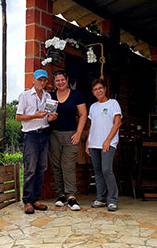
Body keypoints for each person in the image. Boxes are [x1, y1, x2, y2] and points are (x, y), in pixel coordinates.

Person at [16, 69, 58, 214]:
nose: (42, 82)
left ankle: (35, 199)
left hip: (44, 133)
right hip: (31, 135)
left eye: (44, 80)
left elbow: (46, 117)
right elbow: (18, 117)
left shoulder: (48, 96)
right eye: (39, 79)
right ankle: (27, 201)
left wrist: (50, 118)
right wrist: (34, 116)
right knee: (30, 168)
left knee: (41, 168)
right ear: (33, 80)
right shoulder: (25, 95)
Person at [48, 71, 87, 211]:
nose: (60, 82)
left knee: (68, 165)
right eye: (57, 80)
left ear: (67, 80)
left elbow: (83, 115)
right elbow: (47, 116)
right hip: (54, 135)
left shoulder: (76, 95)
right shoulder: (51, 96)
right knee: (56, 165)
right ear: (54, 82)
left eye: (62, 80)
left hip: (71, 135)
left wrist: (78, 133)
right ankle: (61, 194)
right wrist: (49, 118)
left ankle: (71, 196)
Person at [85, 79, 122, 212]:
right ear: (93, 92)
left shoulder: (113, 103)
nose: (98, 91)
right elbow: (91, 126)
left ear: (105, 89)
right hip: (94, 143)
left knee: (106, 170)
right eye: (95, 89)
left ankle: (112, 200)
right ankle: (100, 199)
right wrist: (87, 142)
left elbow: (117, 123)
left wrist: (107, 140)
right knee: (98, 172)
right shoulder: (93, 107)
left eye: (100, 88)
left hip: (108, 143)